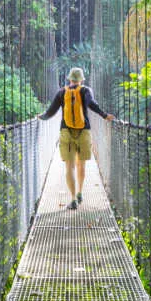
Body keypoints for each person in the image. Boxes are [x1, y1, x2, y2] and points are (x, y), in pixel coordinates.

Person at [39, 67, 115, 210]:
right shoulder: (86, 90)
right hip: (83, 131)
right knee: (81, 164)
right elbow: (92, 104)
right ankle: (80, 192)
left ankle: (73, 199)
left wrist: (41, 117)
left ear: (69, 79)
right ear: (81, 80)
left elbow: (51, 111)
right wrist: (105, 115)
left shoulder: (62, 92)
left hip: (66, 131)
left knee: (69, 166)